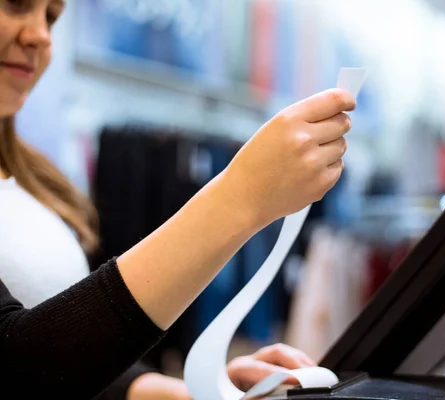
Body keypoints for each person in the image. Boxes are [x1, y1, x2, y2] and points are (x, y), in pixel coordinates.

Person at [0, 0, 355, 398]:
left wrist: (202, 393)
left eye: (50, 16)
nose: (41, 36)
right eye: (15, 5)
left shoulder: (36, 177)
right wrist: (239, 194)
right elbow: (14, 370)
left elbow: (65, 351)